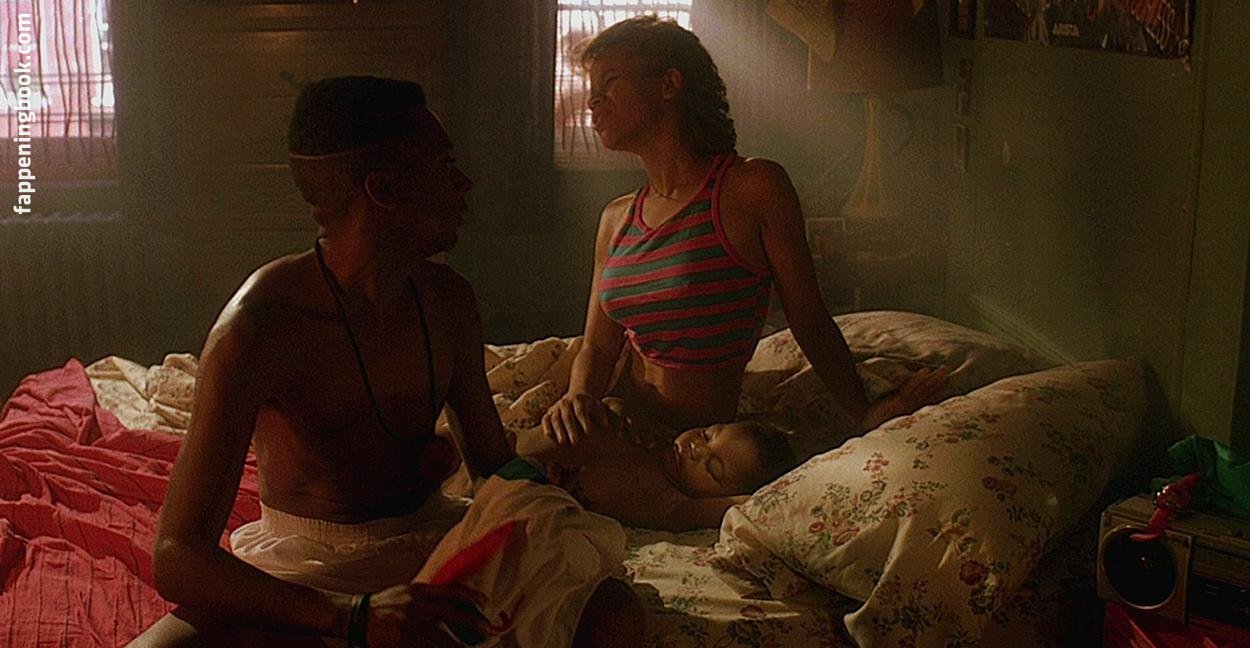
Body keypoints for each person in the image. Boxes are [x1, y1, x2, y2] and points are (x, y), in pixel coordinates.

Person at [131, 76, 641, 648]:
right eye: (445, 165)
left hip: (431, 545)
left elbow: (491, 464)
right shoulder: (260, 326)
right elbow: (177, 557)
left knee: (611, 609)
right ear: (385, 189)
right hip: (309, 575)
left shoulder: (449, 301)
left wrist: (538, 485)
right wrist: (352, 616)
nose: (464, 184)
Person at [543, 15, 947, 446]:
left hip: (692, 445)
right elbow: (598, 348)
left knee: (522, 466)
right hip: (616, 418)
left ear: (669, 84)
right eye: (592, 88)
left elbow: (809, 318)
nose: (593, 101)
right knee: (525, 450)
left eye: (610, 83)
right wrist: (577, 397)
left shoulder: (751, 189)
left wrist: (863, 412)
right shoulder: (617, 217)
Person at [519, 397, 794, 531]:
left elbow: (755, 504)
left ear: (716, 496)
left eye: (712, 468)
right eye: (707, 435)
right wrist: (615, 409)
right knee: (590, 427)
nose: (696, 449)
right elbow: (613, 403)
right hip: (528, 457)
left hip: (536, 501)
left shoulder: (675, 507)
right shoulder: (653, 437)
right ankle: (505, 450)